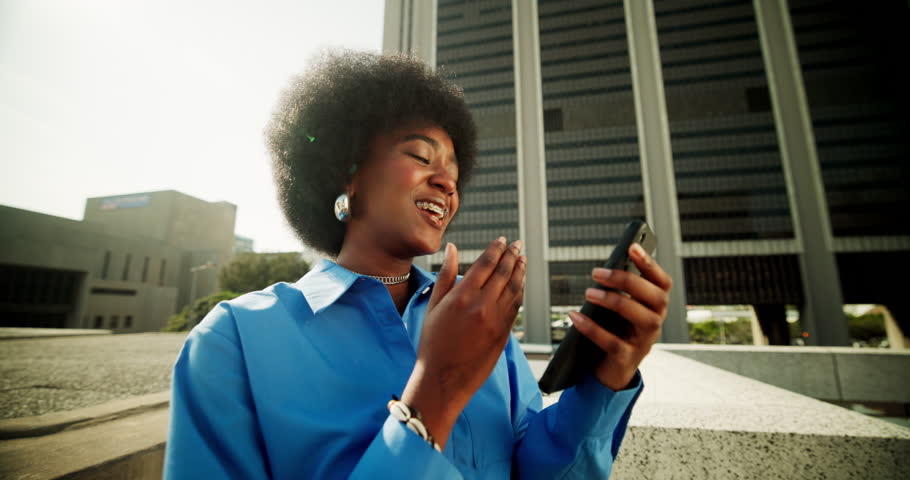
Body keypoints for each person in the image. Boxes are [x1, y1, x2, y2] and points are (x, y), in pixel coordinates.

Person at [163, 50, 672, 479]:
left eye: (453, 172)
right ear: (348, 173)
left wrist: (607, 377)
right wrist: (438, 391)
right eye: (421, 157)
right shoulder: (234, 341)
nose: (447, 183)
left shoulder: (481, 323)